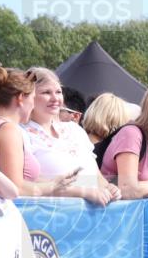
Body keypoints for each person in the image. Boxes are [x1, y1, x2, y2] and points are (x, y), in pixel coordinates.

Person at [22, 67, 120, 205]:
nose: (55, 98)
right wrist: (82, 191)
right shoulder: (20, 133)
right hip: (50, 216)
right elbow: (25, 181)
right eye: (46, 92)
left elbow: (96, 177)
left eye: (58, 92)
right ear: (29, 96)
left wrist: (109, 187)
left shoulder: (75, 130)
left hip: (94, 215)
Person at [0, 65, 77, 197]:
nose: (32, 105)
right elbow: (16, 187)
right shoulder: (9, 130)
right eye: (32, 98)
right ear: (21, 98)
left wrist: (53, 182)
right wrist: (53, 187)